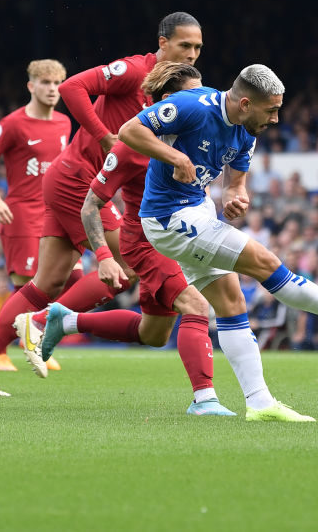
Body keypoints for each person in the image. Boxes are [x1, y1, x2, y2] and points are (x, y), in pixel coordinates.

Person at [115, 64, 318, 422]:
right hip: (168, 218)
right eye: (270, 110)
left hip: (198, 212)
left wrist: (236, 198)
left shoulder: (246, 132)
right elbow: (129, 130)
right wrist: (175, 157)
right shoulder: (192, 106)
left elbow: (236, 184)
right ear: (244, 103)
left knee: (231, 302)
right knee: (266, 262)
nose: (275, 118)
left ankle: (259, 403)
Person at [0, 12, 204, 397]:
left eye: (197, 48)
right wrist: (105, 136)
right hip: (79, 180)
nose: (191, 54)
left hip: (73, 178)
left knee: (48, 282)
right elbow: (74, 87)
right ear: (162, 42)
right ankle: (40, 323)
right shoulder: (133, 71)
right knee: (127, 264)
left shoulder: (176, 91)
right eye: (184, 45)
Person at [20, 62, 236, 416]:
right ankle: (205, 400)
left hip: (177, 237)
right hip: (147, 241)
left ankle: (63, 320)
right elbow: (91, 206)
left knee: (154, 334)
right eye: (194, 93)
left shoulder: (196, 136)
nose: (203, 99)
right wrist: (104, 255)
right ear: (169, 101)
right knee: (196, 306)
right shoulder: (129, 144)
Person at [0, 59, 71, 372]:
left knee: (69, 279)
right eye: (46, 83)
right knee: (24, 286)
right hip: (21, 214)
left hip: (54, 213)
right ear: (31, 86)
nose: (53, 89)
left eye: (57, 83)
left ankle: (33, 340)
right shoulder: (13, 123)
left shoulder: (64, 123)